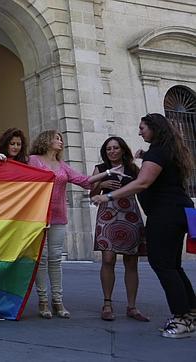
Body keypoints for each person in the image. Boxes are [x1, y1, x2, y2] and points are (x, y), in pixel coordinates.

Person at [92, 113, 195, 338]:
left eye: (142, 128)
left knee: (164, 266)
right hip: (179, 211)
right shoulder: (169, 150)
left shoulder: (158, 150)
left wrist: (108, 197)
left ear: (154, 128)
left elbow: (143, 182)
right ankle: (190, 315)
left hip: (165, 214)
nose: (140, 132)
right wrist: (145, 155)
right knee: (173, 266)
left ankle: (180, 320)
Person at [28, 130, 121, 319]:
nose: (60, 142)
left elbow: (84, 181)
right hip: (38, 216)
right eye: (57, 138)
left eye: (61, 139)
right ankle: (43, 301)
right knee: (42, 259)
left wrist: (108, 172)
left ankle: (58, 301)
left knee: (55, 258)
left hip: (58, 216)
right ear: (46, 141)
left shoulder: (62, 165)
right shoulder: (34, 160)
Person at [89, 136, 148, 322]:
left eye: (115, 148)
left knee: (131, 261)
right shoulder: (100, 169)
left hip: (129, 213)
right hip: (107, 214)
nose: (112, 151)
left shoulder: (132, 169)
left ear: (123, 149)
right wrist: (101, 184)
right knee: (108, 258)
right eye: (108, 149)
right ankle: (107, 304)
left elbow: (144, 187)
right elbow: (91, 195)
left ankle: (132, 306)